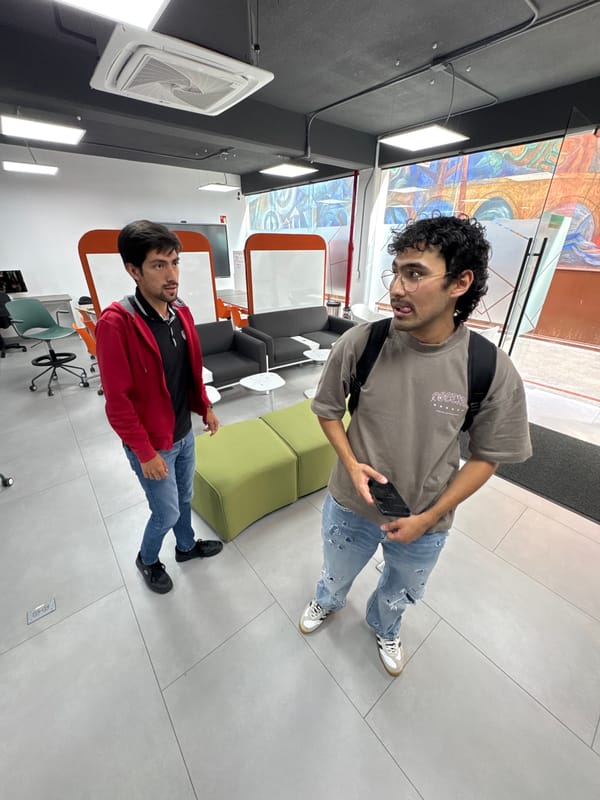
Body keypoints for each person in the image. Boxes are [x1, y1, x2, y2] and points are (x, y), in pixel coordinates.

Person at [299, 215, 531, 675]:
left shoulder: (488, 368)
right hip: (351, 505)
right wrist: (351, 464)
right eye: (396, 272)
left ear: (460, 283)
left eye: (415, 274)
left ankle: (385, 625)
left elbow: (487, 456)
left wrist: (428, 517)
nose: (396, 289)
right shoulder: (362, 343)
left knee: (400, 591)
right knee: (336, 569)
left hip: (427, 517)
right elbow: (327, 410)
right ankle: (329, 599)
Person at [96, 220, 223, 594]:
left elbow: (190, 371)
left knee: (184, 499)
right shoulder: (116, 324)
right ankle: (148, 559)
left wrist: (205, 407)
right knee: (166, 511)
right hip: (153, 444)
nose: (172, 275)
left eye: (175, 263)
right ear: (133, 270)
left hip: (183, 432)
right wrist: (145, 452)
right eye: (158, 265)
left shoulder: (179, 311)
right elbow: (117, 403)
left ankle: (186, 547)